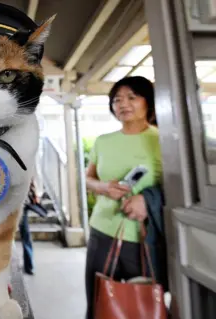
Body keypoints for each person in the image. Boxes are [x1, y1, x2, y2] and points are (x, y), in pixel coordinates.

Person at [84, 76, 163, 318]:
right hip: (101, 232)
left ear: (148, 102)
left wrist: (147, 201)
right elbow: (87, 179)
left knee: (141, 306)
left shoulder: (163, 140)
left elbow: (179, 188)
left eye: (131, 97)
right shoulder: (103, 141)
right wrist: (103, 187)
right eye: (117, 99)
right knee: (100, 305)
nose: (123, 104)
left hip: (143, 238)